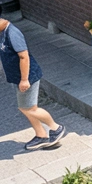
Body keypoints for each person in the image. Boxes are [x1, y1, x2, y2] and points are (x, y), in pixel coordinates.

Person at [0, 17, 65, 151]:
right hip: (17, 78)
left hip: (27, 77)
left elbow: (24, 56)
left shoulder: (12, 33)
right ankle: (41, 135)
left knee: (29, 108)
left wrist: (24, 79)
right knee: (26, 107)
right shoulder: (2, 32)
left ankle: (55, 128)